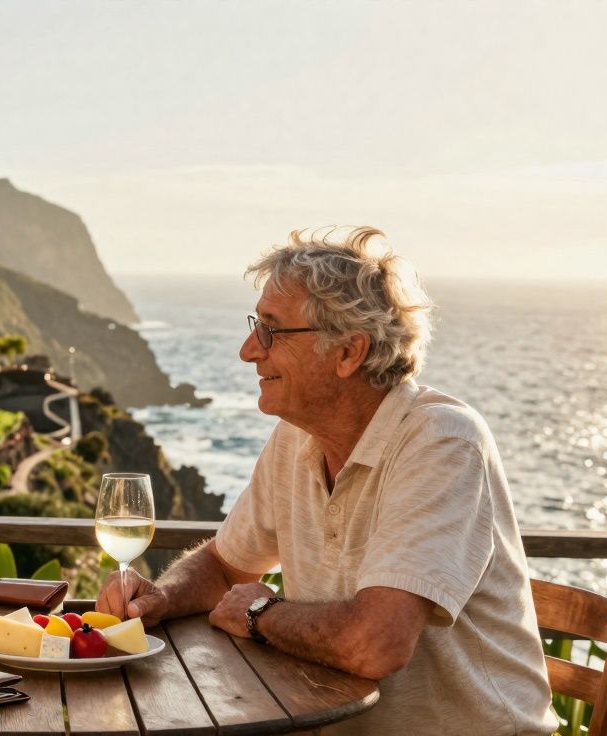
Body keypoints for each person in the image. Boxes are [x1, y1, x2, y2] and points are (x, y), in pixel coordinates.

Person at [98, 227, 557, 735]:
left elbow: (376, 643)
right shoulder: (296, 439)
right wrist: (161, 597)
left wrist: (260, 612)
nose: (249, 351)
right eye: (256, 325)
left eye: (271, 330)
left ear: (347, 353)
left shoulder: (441, 443)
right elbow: (224, 566)